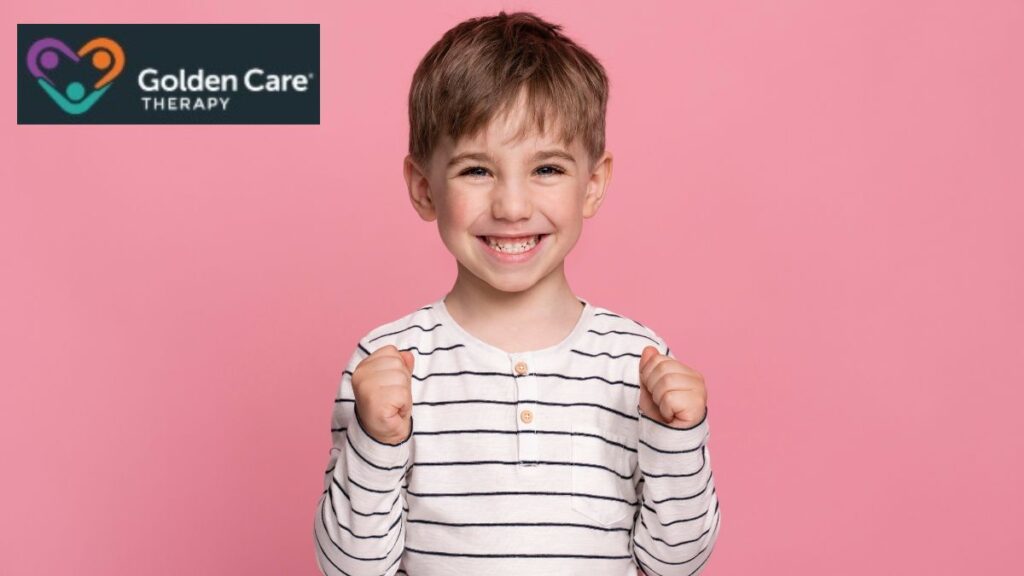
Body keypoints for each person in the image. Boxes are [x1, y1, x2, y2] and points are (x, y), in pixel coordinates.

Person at [314, 10, 720, 575]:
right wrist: (376, 443)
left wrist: (678, 441)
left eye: (547, 169)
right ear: (422, 188)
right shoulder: (390, 364)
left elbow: (677, 563)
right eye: (476, 171)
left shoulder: (635, 361)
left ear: (593, 184)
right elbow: (351, 568)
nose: (510, 206)